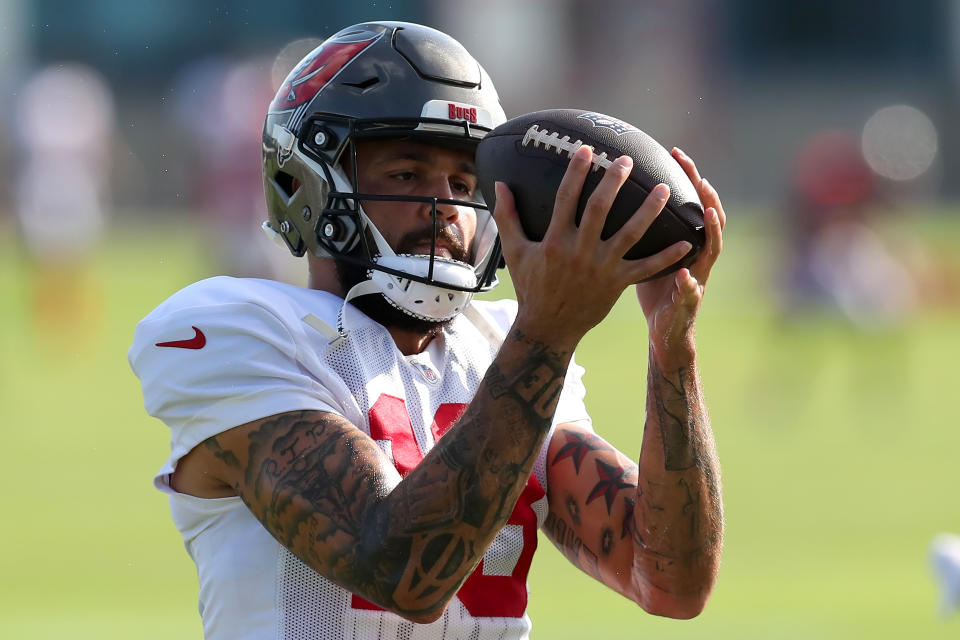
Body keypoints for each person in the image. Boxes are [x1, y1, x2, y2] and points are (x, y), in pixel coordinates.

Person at [129, 20, 726, 640]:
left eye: (464, 184)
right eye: (407, 175)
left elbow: (670, 581)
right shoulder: (244, 335)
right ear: (307, 181)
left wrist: (671, 349)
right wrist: (546, 335)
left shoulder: (498, 346)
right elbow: (400, 570)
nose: (443, 207)